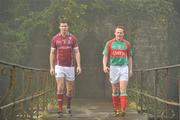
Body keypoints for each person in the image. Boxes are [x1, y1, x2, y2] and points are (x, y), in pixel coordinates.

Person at [49, 19, 81, 118]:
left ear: (68, 27)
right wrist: (51, 67)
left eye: (65, 26)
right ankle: (59, 110)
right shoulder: (55, 38)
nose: (64, 28)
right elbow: (52, 53)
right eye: (62, 26)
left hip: (70, 67)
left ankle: (68, 107)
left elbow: (77, 52)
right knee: (60, 87)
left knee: (70, 89)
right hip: (59, 66)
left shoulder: (73, 38)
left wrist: (79, 65)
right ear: (59, 27)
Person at [102, 25, 133, 117]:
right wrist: (104, 66)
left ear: (123, 34)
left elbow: (130, 57)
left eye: (121, 32)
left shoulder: (127, 44)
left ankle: (123, 110)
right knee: (115, 90)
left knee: (123, 89)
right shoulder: (110, 43)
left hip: (123, 67)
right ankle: (116, 109)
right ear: (115, 33)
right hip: (114, 67)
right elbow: (105, 55)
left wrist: (130, 69)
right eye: (118, 32)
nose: (119, 34)